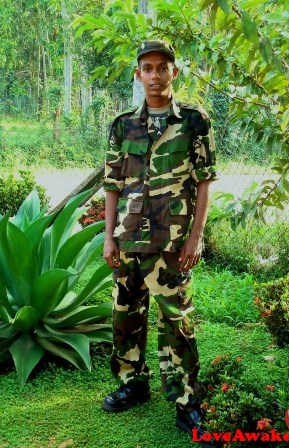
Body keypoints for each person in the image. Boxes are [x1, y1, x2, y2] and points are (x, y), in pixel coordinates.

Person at [102, 39, 218, 444]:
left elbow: (204, 183)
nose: (154, 75)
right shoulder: (122, 125)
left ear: (174, 72)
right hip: (129, 240)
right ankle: (133, 383)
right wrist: (108, 237)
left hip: (173, 241)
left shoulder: (194, 120)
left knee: (177, 322)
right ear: (138, 74)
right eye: (147, 68)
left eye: (161, 67)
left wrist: (196, 238)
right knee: (125, 317)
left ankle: (186, 400)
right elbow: (113, 184)